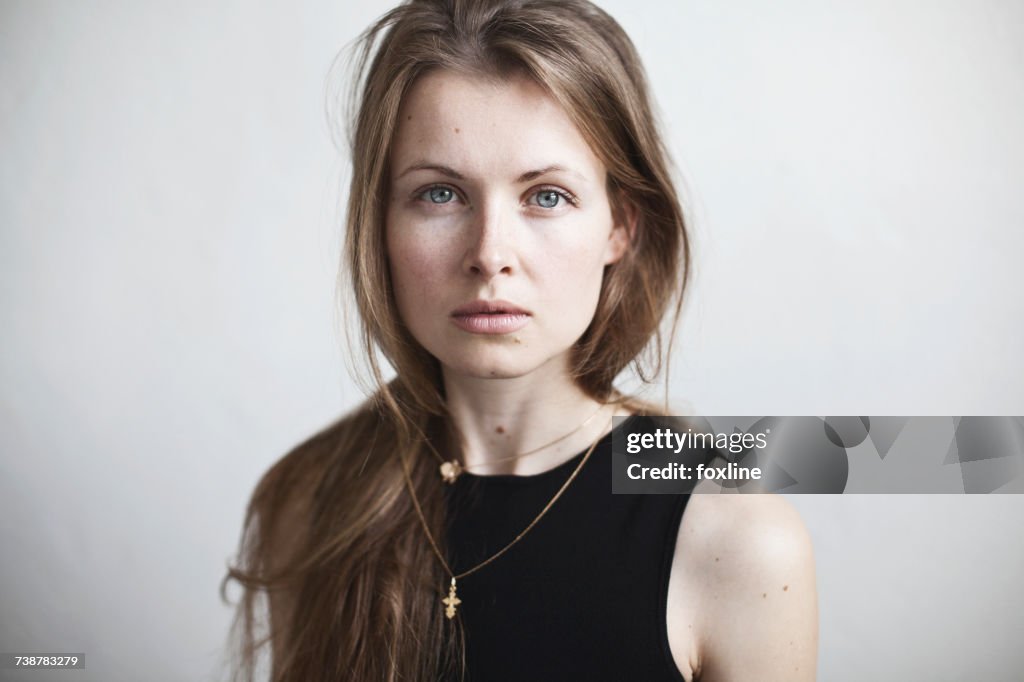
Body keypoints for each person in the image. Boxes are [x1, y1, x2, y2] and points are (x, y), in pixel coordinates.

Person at [222, 1, 818, 680]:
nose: (489, 254)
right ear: (378, 225)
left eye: (547, 196)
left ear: (620, 226)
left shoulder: (738, 542)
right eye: (440, 195)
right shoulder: (308, 503)